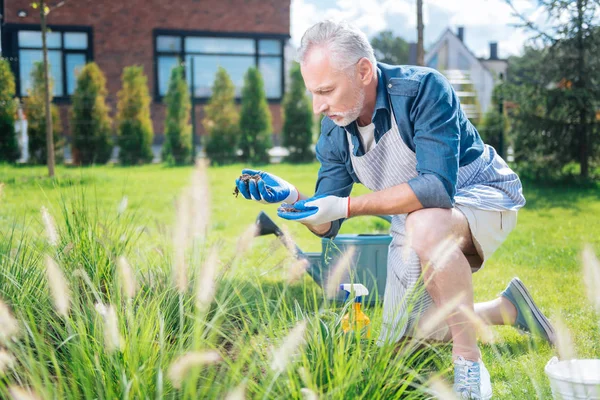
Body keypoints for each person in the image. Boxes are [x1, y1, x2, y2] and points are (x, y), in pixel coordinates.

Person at [234, 20, 555, 399]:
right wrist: (291, 198)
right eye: (313, 94)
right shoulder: (336, 128)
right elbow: (328, 223)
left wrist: (349, 205)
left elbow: (436, 187)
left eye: (326, 91)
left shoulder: (422, 90)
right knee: (410, 337)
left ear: (364, 71)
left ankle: (468, 363)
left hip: (482, 194)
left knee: (425, 223)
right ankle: (508, 309)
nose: (318, 106)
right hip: (416, 216)